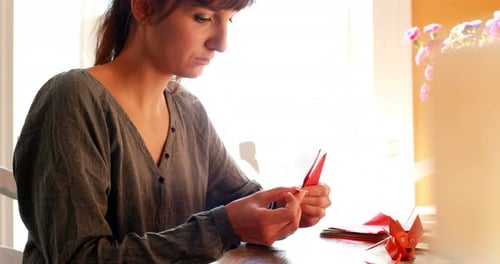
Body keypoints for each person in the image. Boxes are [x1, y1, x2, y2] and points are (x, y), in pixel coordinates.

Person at [12, 0, 331, 263]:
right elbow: (78, 258)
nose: (221, 43)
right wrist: (222, 228)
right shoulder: (72, 100)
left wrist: (286, 210)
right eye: (203, 17)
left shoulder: (189, 111)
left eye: (229, 21)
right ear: (145, 7)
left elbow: (241, 201)